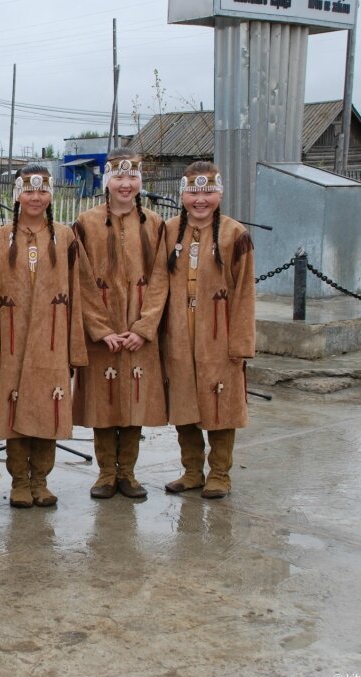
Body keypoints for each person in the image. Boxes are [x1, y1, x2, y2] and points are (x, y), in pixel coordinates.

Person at [0, 165, 121, 508]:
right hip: (13, 344)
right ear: (17, 194)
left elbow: (85, 290)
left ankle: (41, 480)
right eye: (28, 190)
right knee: (14, 418)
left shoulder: (66, 237)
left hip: (53, 342)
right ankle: (18, 481)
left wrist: (95, 334)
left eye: (42, 190)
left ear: (51, 194)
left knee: (47, 412)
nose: (35, 197)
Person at [72, 148, 169, 500]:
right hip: (104, 333)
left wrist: (144, 328)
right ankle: (104, 474)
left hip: (140, 334)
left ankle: (127, 472)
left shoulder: (156, 224)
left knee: (134, 402)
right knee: (104, 403)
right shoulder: (86, 223)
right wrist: (100, 329)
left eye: (132, 177)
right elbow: (80, 280)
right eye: (118, 177)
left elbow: (161, 280)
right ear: (106, 181)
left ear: (141, 182)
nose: (125, 184)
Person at [160, 161, 255, 500]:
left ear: (220, 193)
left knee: (220, 406)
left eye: (208, 192)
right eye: (193, 192)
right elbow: (158, 283)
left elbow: (244, 293)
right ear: (182, 194)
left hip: (219, 335)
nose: (200, 200)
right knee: (184, 404)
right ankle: (191, 471)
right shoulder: (169, 230)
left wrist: (240, 343)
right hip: (178, 335)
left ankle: (219, 474)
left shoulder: (235, 234)